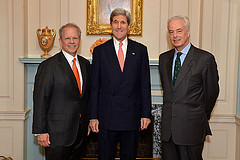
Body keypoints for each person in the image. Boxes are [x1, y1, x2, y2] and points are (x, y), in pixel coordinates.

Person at [89, 8, 152, 160]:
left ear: (128, 26)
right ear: (111, 25)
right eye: (115, 22)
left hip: (131, 116)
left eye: (123, 22)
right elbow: (94, 87)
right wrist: (93, 116)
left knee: (129, 157)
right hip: (106, 117)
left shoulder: (141, 50)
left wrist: (146, 114)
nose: (119, 26)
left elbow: (145, 85)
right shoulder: (99, 51)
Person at [159, 15, 219, 160]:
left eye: (179, 31)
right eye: (171, 32)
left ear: (188, 32)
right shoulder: (163, 58)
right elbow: (169, 92)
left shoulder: (205, 59)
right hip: (168, 132)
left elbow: (211, 94)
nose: (175, 36)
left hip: (191, 130)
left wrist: (197, 115)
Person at [32, 23, 91, 160]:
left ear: (80, 40)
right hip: (56, 136)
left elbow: (85, 98)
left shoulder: (85, 64)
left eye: (75, 38)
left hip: (80, 134)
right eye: (67, 38)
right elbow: (40, 99)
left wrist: (88, 121)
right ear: (60, 41)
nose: (72, 42)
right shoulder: (48, 66)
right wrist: (41, 131)